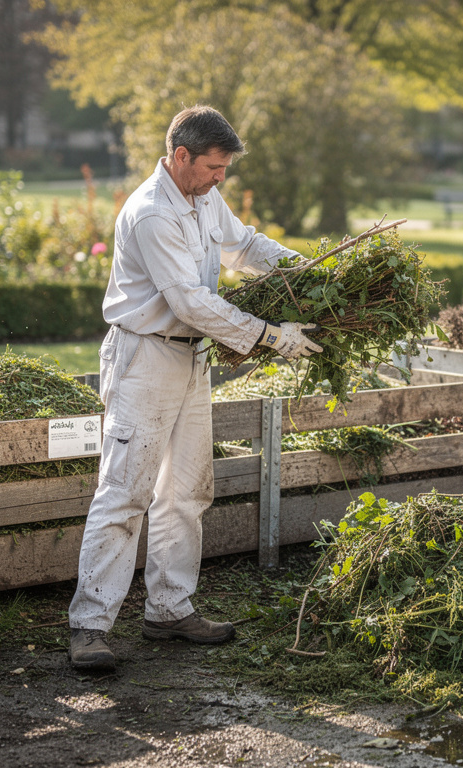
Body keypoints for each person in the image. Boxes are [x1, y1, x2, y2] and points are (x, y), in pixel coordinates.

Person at [69, 105, 321, 670]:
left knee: (187, 489)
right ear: (181, 156)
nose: (220, 178)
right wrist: (268, 336)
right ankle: (89, 626)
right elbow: (188, 300)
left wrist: (312, 272)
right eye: (213, 166)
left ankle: (168, 609)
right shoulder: (153, 213)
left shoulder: (202, 198)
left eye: (224, 168)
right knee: (125, 491)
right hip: (146, 359)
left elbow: (246, 246)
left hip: (192, 359)